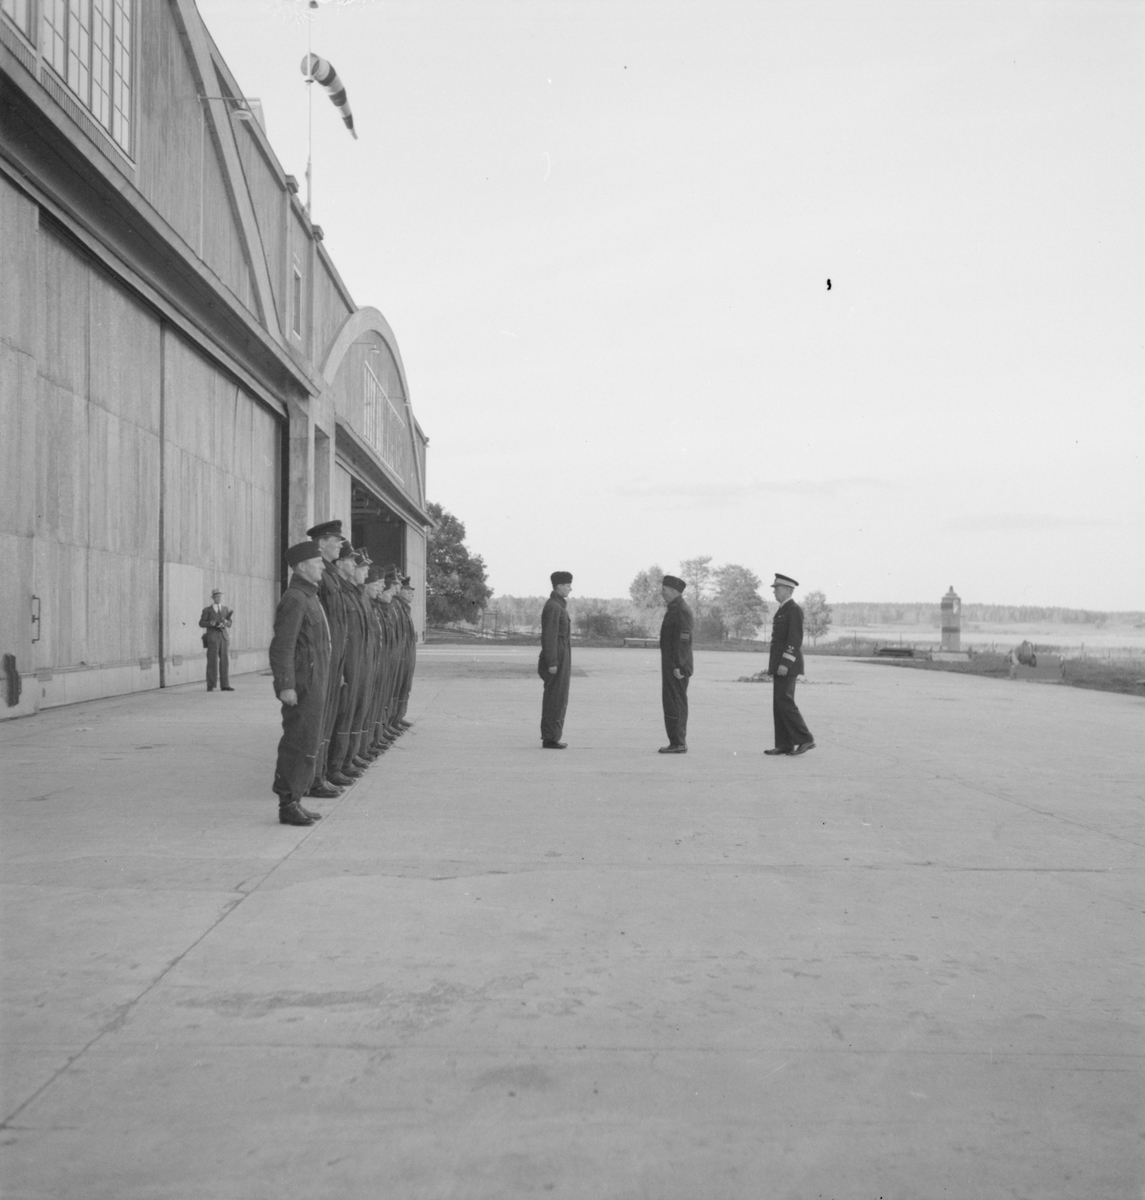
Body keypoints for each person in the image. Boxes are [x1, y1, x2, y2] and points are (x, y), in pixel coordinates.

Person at [269, 542, 332, 825]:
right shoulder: (295, 598)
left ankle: (296, 799)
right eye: (317, 562)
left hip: (314, 679)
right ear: (302, 566)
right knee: (297, 741)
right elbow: (282, 646)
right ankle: (287, 803)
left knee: (308, 739)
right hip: (302, 683)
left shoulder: (309, 596)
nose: (322, 566)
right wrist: (285, 685)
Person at [305, 519, 349, 798]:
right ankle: (314, 777)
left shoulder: (331, 575)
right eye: (337, 541)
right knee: (319, 720)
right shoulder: (320, 575)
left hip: (335, 657)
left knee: (329, 717)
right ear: (322, 543)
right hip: (324, 658)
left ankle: (321, 774)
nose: (341, 545)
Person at [766, 573, 815, 756]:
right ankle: (784, 744)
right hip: (780, 664)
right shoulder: (782, 609)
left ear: (788, 590)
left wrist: (785, 662)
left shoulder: (793, 609)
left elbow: (795, 638)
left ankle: (805, 739)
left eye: (777, 588)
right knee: (779, 703)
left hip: (788, 665)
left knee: (785, 702)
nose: (774, 592)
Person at [658, 574, 693, 753]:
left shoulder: (681, 610)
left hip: (677, 667)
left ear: (672, 590)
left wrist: (678, 665)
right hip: (672, 665)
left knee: (677, 702)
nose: (661, 593)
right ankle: (675, 741)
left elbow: (684, 641)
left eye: (664, 590)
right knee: (670, 702)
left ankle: (679, 742)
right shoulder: (673, 608)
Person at [538, 571, 573, 748]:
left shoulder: (558, 606)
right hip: (556, 658)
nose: (570, 589)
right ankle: (550, 737)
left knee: (559, 697)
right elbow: (549, 636)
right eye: (567, 586)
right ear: (559, 586)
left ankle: (553, 736)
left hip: (561, 656)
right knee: (554, 698)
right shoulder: (553, 606)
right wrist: (552, 661)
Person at [198, 589, 234, 691]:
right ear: (213, 598)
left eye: (220, 597)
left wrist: (227, 622)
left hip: (224, 637)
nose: (219, 598)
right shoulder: (207, 610)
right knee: (212, 661)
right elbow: (201, 623)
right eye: (216, 597)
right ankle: (210, 685)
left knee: (224, 661)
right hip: (213, 638)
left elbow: (230, 623)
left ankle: (225, 685)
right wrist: (210, 623)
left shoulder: (225, 609)